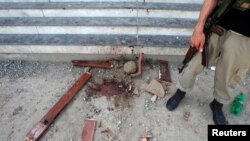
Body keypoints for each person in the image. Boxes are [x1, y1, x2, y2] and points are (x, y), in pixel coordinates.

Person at [166, 0, 250, 125]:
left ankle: (217, 104)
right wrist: (199, 28)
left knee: (230, 74)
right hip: (219, 22)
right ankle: (181, 90)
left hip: (246, 36)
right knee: (195, 62)